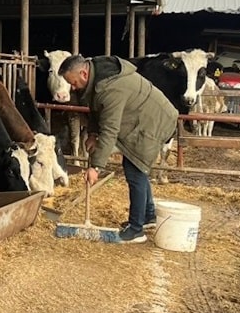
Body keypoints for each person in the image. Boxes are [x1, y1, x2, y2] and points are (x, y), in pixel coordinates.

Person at [60, 54, 179, 244]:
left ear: (83, 73)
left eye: (73, 83)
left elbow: (110, 130)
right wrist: (91, 133)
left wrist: (96, 167)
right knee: (136, 165)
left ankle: (136, 229)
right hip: (142, 117)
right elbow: (96, 108)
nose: (72, 88)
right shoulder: (97, 76)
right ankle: (148, 216)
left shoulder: (111, 88)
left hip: (154, 120)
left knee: (135, 168)